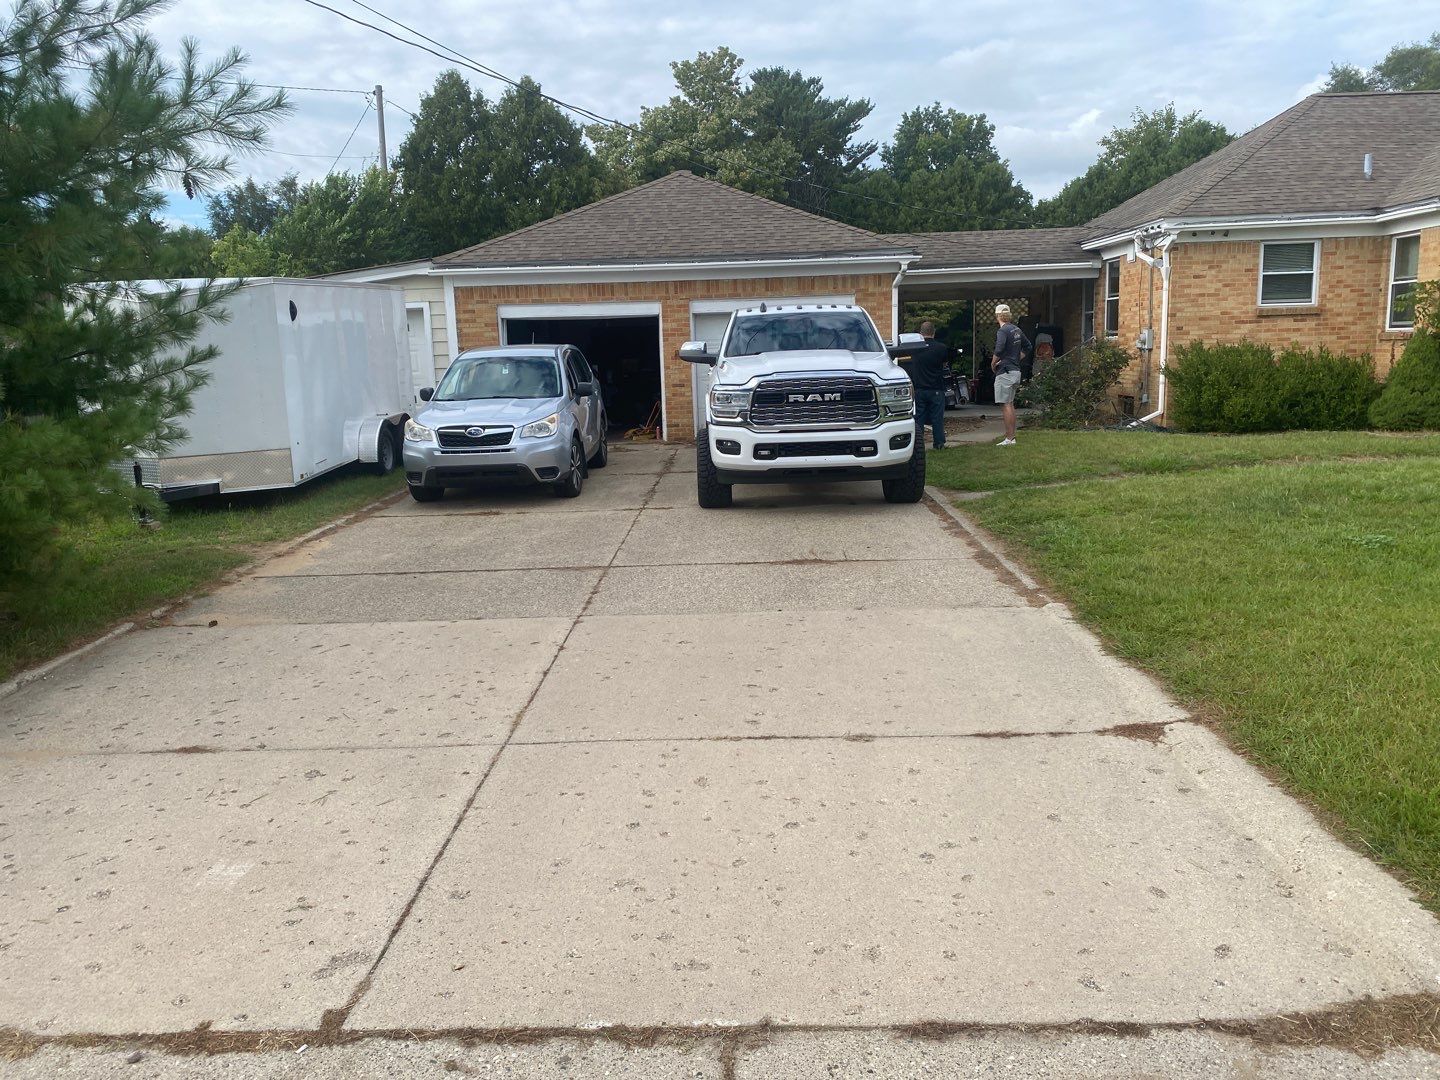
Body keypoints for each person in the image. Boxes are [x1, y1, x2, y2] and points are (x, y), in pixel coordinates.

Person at [900, 320, 951, 450]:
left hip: (919, 389)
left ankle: (918, 444)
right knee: (937, 419)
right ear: (933, 332)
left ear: (920, 333)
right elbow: (944, 365)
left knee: (918, 419)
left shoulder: (915, 348)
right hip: (936, 389)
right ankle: (939, 443)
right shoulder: (941, 348)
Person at [990, 305, 1030, 446]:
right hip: (1015, 371)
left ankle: (1009, 438)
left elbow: (999, 348)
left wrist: (993, 363)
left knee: (1005, 405)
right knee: (1010, 404)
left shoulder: (1003, 331)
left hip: (1005, 372)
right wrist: (1017, 358)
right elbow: (1028, 346)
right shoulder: (1016, 329)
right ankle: (1012, 437)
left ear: (997, 316)